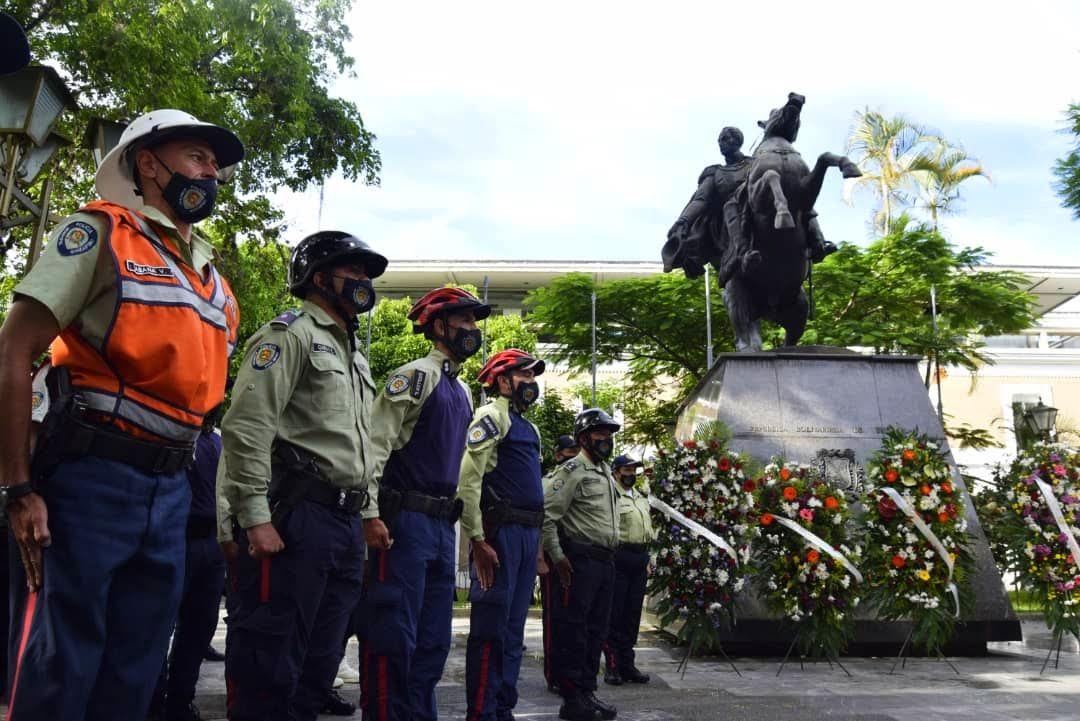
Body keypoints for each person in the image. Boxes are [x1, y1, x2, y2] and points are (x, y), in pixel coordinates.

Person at [0, 108, 242, 720]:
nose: (212, 172)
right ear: (149, 164)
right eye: (199, 157)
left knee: (134, 675)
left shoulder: (213, 280)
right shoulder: (100, 233)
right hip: (88, 479)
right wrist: (18, 487)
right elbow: (14, 349)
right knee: (59, 669)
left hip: (173, 489)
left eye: (215, 164)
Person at [218, 230, 386, 721]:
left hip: (343, 527)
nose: (362, 282)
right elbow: (247, 427)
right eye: (352, 271)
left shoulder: (354, 355)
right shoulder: (290, 334)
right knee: (271, 663)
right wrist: (252, 518)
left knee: (320, 662)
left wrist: (370, 513)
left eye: (365, 275)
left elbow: (362, 447)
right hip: (297, 519)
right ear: (318, 277)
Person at [360, 286, 490, 721]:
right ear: (439, 326)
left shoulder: (464, 391)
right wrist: (370, 513)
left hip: (440, 526)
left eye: (475, 322)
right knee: (392, 633)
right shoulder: (416, 376)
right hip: (406, 522)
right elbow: (376, 446)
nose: (474, 330)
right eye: (466, 321)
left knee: (434, 640)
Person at [458, 349, 547, 721]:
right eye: (523, 376)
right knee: (491, 628)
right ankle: (481, 711)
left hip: (527, 535)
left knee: (513, 632)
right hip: (501, 533)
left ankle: (502, 707)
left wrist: (540, 547)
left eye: (532, 376)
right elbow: (468, 481)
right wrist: (477, 540)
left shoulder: (530, 427)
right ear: (503, 381)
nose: (531, 383)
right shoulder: (491, 417)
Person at [149, 403, 228, 721]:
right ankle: (152, 703)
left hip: (211, 544)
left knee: (199, 627)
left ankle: (180, 701)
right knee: (156, 627)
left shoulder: (217, 441)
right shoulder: (174, 437)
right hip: (176, 538)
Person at [542, 408, 622, 721]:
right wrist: (558, 557)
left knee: (596, 629)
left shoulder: (603, 471)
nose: (607, 440)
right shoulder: (572, 469)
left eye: (609, 434)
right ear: (584, 437)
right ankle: (572, 697)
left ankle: (587, 692)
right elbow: (547, 517)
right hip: (581, 561)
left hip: (605, 562)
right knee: (573, 630)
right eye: (601, 434)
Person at [601, 455, 655, 687]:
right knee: (615, 613)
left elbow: (647, 529)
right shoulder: (610, 496)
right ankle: (612, 665)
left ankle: (627, 664)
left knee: (632, 615)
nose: (631, 474)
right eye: (626, 469)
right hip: (618, 557)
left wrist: (649, 558)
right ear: (615, 472)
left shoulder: (641, 498)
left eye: (634, 470)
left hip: (639, 557)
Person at [541, 433, 579, 693]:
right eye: (569, 451)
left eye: (577, 450)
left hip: (581, 554)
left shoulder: (586, 475)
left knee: (577, 618)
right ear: (557, 455)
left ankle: (574, 674)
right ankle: (555, 673)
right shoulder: (551, 481)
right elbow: (546, 520)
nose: (573, 455)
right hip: (558, 554)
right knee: (556, 617)